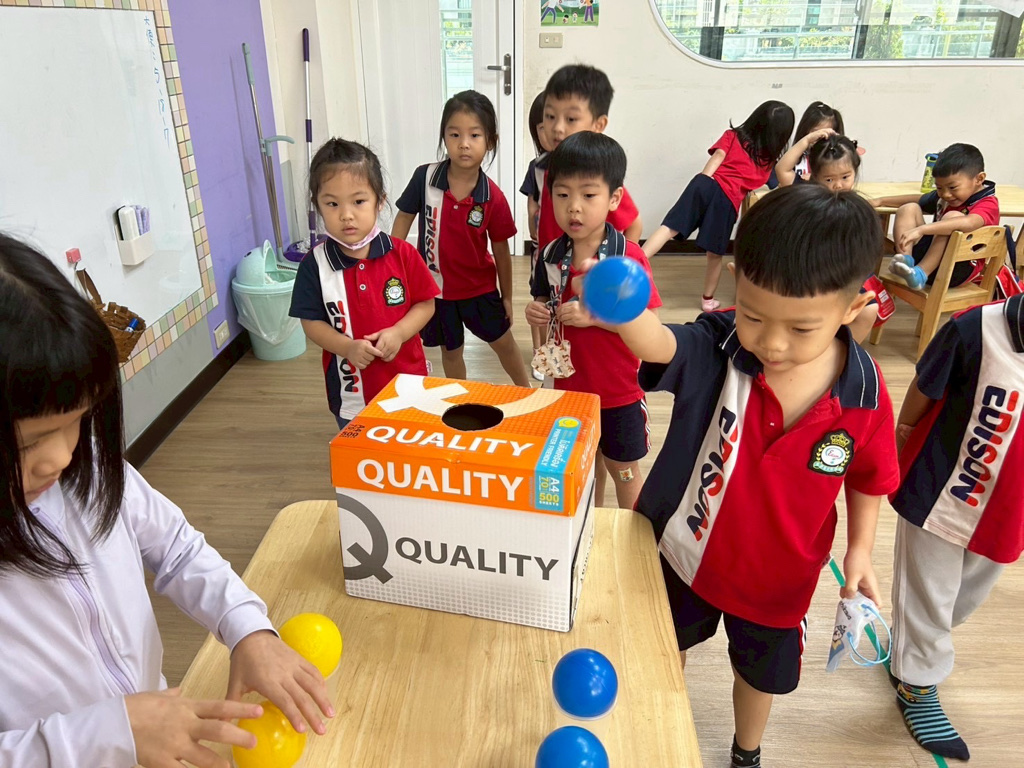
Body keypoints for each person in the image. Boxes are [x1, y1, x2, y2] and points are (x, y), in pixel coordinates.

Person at [0, 234, 334, 766]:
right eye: (27, 443)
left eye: (77, 421)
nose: (61, 457)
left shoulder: (87, 466)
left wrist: (247, 627)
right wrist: (107, 735)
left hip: (151, 736)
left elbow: (176, 548)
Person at [607, 184, 899, 768]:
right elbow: (660, 344)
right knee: (666, 644)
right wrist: (623, 310)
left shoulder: (865, 395)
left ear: (851, 309)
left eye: (801, 328)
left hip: (777, 582)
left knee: (758, 675)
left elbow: (868, 477)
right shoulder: (720, 346)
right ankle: (661, 725)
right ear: (738, 285)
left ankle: (747, 752)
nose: (771, 342)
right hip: (685, 553)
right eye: (753, 315)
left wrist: (861, 550)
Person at [888, 293, 1024, 762]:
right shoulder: (976, 329)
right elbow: (925, 387)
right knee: (929, 592)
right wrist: (902, 436)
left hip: (1009, 506)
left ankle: (913, 645)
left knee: (963, 598)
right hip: (941, 488)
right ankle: (918, 683)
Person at [525, 132, 661, 509]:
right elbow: (543, 297)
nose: (574, 208)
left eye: (588, 195)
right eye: (562, 194)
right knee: (582, 471)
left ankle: (634, 538)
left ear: (614, 198)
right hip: (568, 389)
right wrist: (536, 310)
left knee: (625, 471)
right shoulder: (550, 255)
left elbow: (650, 324)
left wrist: (595, 317)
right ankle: (590, 530)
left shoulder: (627, 260)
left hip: (618, 392)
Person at [290, 139, 439, 429]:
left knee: (407, 446)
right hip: (352, 395)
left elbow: (426, 304)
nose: (346, 215)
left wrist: (399, 332)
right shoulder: (314, 265)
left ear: (379, 201)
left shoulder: (403, 253)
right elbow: (311, 322)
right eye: (332, 204)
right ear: (317, 205)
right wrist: (346, 347)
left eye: (358, 202)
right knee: (360, 452)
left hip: (408, 385)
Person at [392, 91, 530, 387]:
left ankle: (526, 390)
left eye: (474, 135)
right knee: (451, 351)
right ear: (444, 137)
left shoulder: (492, 197)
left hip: (479, 290)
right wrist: (394, 262)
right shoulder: (425, 178)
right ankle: (461, 397)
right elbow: (404, 217)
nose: (464, 143)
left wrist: (506, 297)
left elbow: (502, 251)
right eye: (454, 134)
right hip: (437, 290)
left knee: (504, 344)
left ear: (490, 141)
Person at [642, 100, 795, 314]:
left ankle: (634, 262)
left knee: (669, 227)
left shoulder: (732, 135)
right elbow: (779, 185)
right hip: (727, 201)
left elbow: (718, 157)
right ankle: (708, 300)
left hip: (706, 183)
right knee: (714, 255)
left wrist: (704, 181)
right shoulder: (767, 163)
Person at [775, 132, 894, 342]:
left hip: (843, 275)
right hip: (808, 275)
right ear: (814, 176)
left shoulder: (857, 207)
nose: (838, 185)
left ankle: (845, 354)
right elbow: (782, 169)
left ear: (854, 172)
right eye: (829, 179)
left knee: (868, 310)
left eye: (845, 177)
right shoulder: (806, 194)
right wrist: (806, 141)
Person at [537, 63, 643, 249]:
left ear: (598, 125)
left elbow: (634, 224)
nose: (557, 127)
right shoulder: (542, 165)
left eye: (571, 119)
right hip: (550, 263)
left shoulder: (596, 173)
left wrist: (623, 260)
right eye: (550, 116)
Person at [872, 143, 1000, 291]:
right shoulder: (946, 196)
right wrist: (881, 201)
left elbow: (969, 222)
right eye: (939, 188)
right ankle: (906, 263)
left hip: (957, 268)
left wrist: (922, 230)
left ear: (979, 179)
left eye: (952, 187)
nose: (945, 194)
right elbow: (918, 199)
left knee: (952, 218)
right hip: (930, 258)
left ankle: (921, 274)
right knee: (908, 208)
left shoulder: (988, 203)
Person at [522, 90, 553, 379]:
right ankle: (538, 351)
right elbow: (532, 200)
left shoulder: (581, 164)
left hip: (571, 248)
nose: (551, 132)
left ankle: (555, 350)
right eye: (542, 128)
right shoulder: (537, 167)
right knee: (539, 300)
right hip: (542, 248)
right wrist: (533, 227)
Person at [767, 101, 845, 189]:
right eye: (816, 133)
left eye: (826, 134)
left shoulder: (838, 160)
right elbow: (781, 170)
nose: (820, 137)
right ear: (806, 132)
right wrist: (807, 140)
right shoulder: (796, 159)